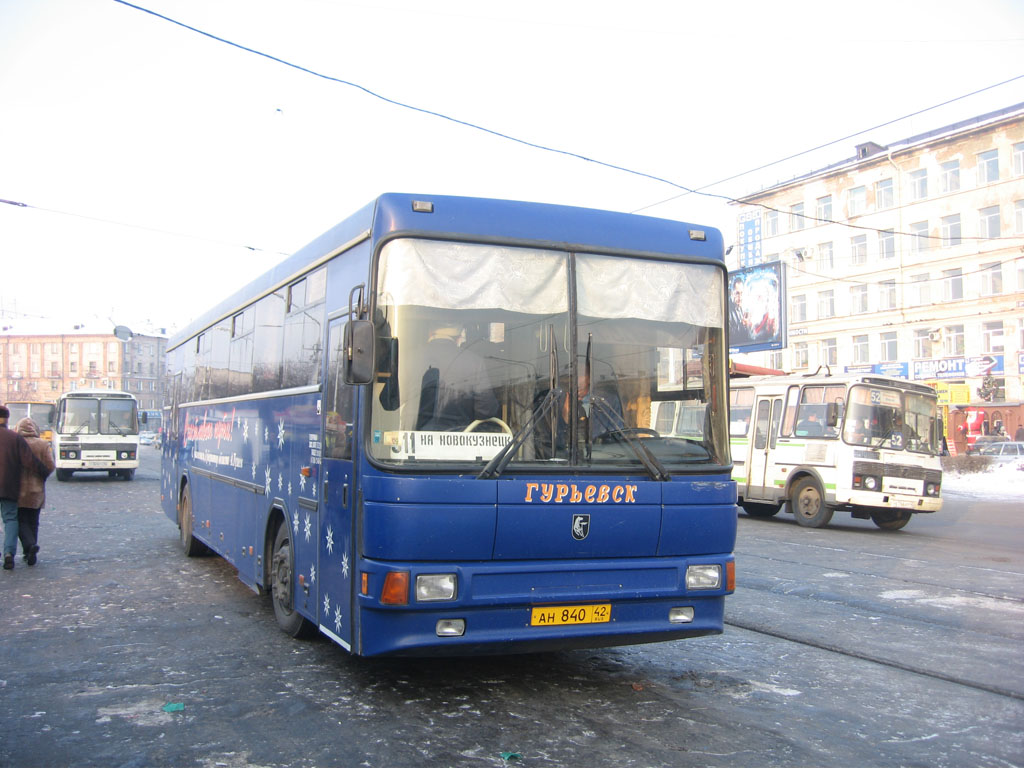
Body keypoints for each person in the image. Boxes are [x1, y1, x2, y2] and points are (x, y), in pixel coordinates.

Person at [415, 321, 499, 431]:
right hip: (459, 441)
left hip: (415, 442)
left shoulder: (409, 358)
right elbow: (486, 410)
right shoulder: (474, 362)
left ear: (430, 333)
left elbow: (389, 403)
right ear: (459, 337)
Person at [0, 405, 51, 570]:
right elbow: (31, 461)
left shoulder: (16, 438)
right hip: (15, 487)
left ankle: (20, 549)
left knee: (15, 519)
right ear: (7, 419)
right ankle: (15, 552)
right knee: (15, 520)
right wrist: (44, 473)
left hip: (15, 487)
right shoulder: (15, 439)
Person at [15, 417, 55, 567]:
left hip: (18, 489)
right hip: (36, 489)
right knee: (33, 521)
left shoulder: (16, 443)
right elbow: (50, 466)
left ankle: (29, 546)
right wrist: (41, 477)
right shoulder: (43, 444)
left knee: (20, 520)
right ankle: (31, 550)